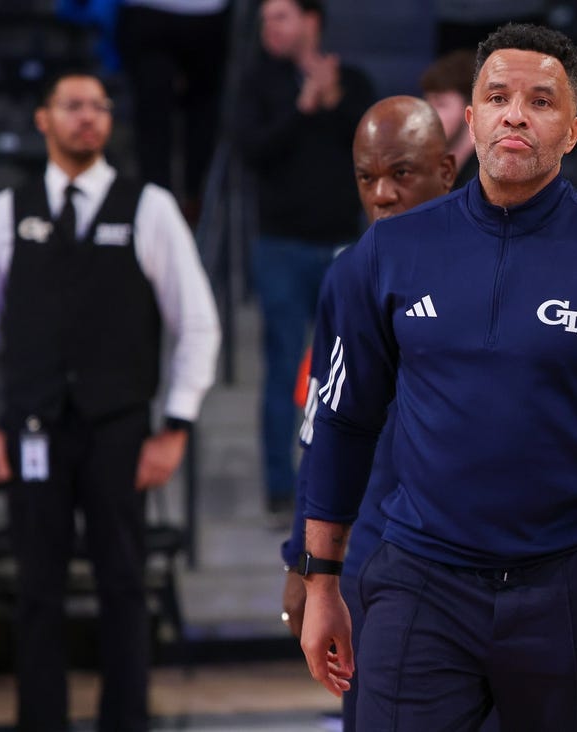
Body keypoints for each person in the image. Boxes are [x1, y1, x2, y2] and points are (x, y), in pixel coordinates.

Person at [299, 23, 577, 731]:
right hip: (422, 579)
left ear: (572, 131)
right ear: (472, 115)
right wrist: (320, 582)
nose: (515, 113)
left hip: (574, 585)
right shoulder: (386, 255)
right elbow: (342, 424)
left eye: (540, 101)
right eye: (497, 96)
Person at [0, 70, 220, 732]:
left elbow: (199, 323)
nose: (87, 118)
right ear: (44, 119)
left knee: (123, 586)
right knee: (36, 590)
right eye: (73, 106)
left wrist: (175, 424)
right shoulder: (5, 214)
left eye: (98, 107)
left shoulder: (148, 207)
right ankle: (40, 721)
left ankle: (125, 721)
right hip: (33, 426)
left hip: (118, 427)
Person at [281, 95, 457, 732]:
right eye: (366, 178)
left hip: (480, 553)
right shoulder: (348, 277)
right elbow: (321, 427)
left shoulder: (492, 268)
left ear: (447, 170)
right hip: (373, 555)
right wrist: (303, 562)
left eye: (401, 174)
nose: (382, 194)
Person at [235, 0, 375, 523]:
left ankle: (350, 481)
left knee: (353, 370)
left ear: (311, 21)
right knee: (281, 367)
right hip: (280, 247)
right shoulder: (257, 83)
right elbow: (250, 149)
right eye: (267, 18)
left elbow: (372, 149)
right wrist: (302, 107)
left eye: (281, 16)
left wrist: (332, 100)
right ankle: (279, 487)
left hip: (345, 245)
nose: (269, 27)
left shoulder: (353, 80)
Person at [117, 0, 231, 221]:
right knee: (189, 111)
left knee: (159, 120)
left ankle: (177, 205)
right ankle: (185, 203)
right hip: (187, 15)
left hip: (182, 15)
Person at [420, 49, 479, 189]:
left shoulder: (487, 180)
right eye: (427, 103)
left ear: (471, 109)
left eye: (440, 104)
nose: (428, 113)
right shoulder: (431, 172)